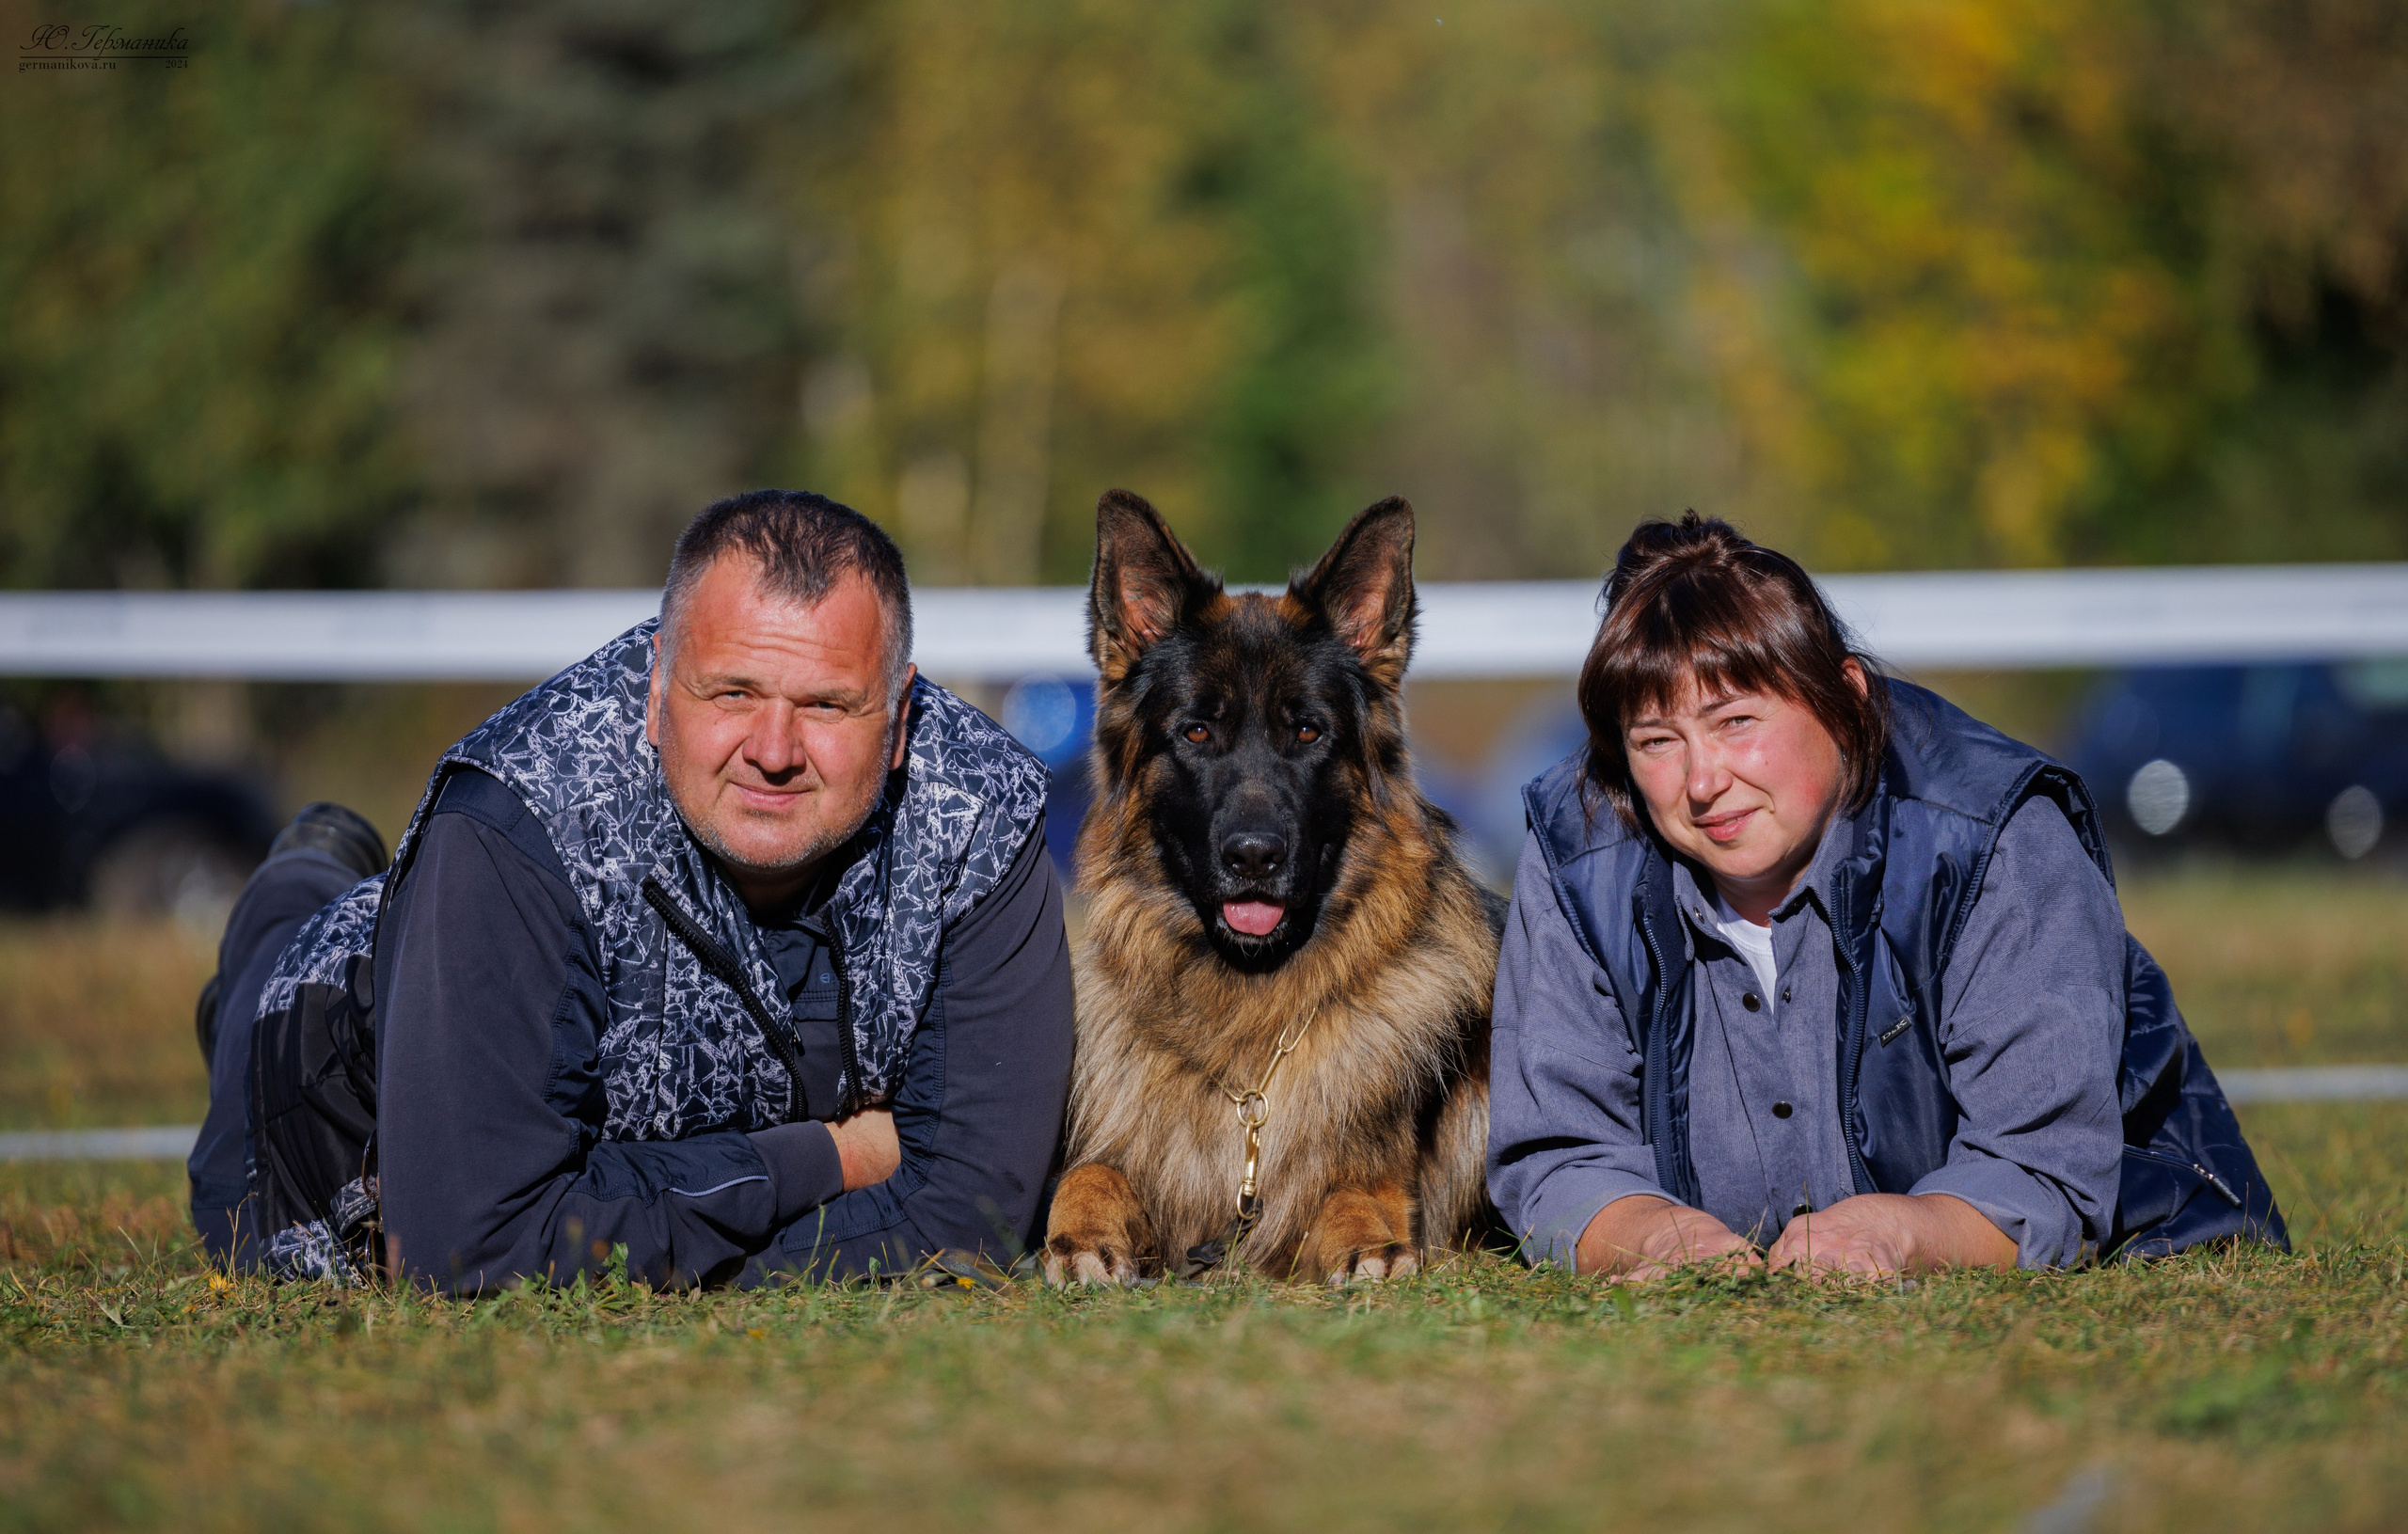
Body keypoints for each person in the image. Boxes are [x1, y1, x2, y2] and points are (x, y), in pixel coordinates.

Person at [190, 490, 1073, 1291]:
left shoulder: (983, 814)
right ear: (656, 689)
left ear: (901, 718)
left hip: (507, 999)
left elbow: (975, 1213)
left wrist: (665, 1250)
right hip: (317, 1090)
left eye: (827, 706)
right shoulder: (513, 819)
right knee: (284, 970)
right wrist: (830, 1160)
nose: (773, 748)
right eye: (732, 691)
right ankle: (293, 893)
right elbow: (470, 1247)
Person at [1486, 514, 2285, 1280]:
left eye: (1734, 721)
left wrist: (1897, 1233)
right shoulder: (1573, 859)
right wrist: (1651, 1236)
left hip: (2138, 1258)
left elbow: (2044, 1171)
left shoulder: (1994, 835)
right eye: (1657, 740)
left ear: (1846, 696)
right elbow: (1558, 1153)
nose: (1702, 780)